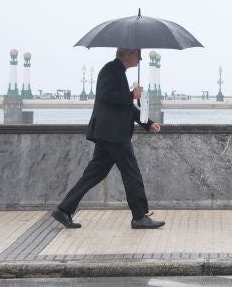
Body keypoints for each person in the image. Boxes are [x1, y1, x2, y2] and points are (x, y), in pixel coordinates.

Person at [51, 48, 165, 230]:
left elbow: (123, 106)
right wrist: (131, 95)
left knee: (95, 173)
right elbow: (107, 97)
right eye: (138, 54)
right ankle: (139, 217)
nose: (141, 58)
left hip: (109, 132)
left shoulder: (118, 72)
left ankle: (64, 210)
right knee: (131, 172)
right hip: (113, 134)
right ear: (127, 53)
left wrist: (147, 122)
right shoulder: (110, 71)